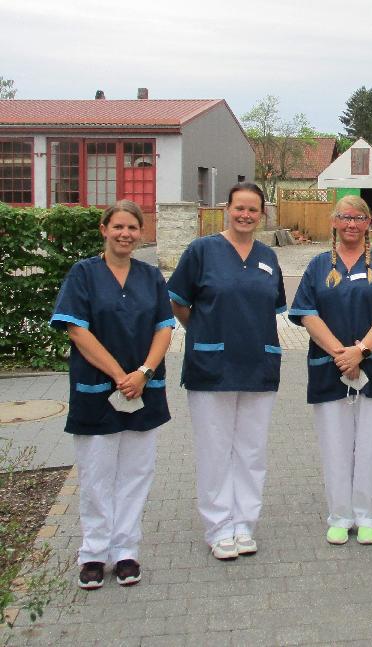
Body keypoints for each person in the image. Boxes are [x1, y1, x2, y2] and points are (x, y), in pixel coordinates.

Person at [50, 200, 174, 589]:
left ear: (140, 233)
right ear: (104, 229)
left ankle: (126, 551)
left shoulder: (151, 276)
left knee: (136, 473)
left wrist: (144, 372)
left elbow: (164, 328)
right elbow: (76, 330)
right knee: (97, 474)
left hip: (143, 389)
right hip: (97, 389)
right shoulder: (84, 274)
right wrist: (122, 375)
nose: (125, 234)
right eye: (118, 227)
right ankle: (93, 553)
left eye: (132, 228)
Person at [167, 182, 286, 561]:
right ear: (226, 209)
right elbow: (180, 304)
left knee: (251, 451)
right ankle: (218, 527)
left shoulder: (269, 256)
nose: (246, 215)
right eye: (240, 208)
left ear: (262, 214)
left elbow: (273, 306)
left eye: (253, 210)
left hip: (258, 363)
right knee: (215, 450)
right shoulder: (201, 251)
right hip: (211, 365)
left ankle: (244, 524)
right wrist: (204, 332)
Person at [289, 195, 372, 546]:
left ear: (368, 222)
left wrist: (361, 351)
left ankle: (368, 515)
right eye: (344, 217)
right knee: (335, 446)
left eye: (358, 217)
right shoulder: (316, 266)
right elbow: (306, 313)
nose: (351, 224)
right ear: (333, 221)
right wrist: (341, 355)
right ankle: (340, 516)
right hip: (330, 369)